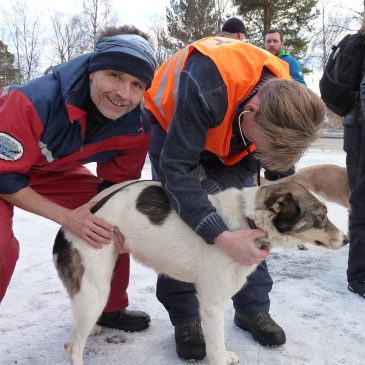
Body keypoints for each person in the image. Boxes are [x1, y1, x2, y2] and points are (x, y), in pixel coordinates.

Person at [145, 36, 326, 360]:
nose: (261, 153)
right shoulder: (205, 83)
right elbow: (178, 170)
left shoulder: (282, 101)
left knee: (248, 218)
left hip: (234, 132)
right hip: (173, 125)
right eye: (263, 146)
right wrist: (217, 231)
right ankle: (187, 318)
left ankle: (252, 308)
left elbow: (249, 160)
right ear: (252, 110)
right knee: (180, 218)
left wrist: (214, 197)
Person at [0, 25, 157, 331]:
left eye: (137, 84)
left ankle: (107, 307)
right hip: (4, 165)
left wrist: (118, 220)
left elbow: (118, 188)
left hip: (46, 168)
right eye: (115, 75)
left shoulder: (136, 127)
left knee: (111, 220)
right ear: (92, 71)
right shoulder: (32, 100)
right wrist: (69, 217)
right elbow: (5, 176)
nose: (124, 94)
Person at [263, 28, 306, 181]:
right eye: (268, 41)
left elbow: (301, 88)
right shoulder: (260, 60)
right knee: (268, 168)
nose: (272, 44)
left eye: (275, 41)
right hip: (264, 123)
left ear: (281, 42)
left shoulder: (289, 62)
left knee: (284, 169)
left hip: (284, 123)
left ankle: (289, 201)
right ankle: (269, 202)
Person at [343, 24, 365, 299]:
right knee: (361, 204)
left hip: (356, 131)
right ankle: (358, 276)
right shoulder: (358, 45)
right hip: (360, 133)